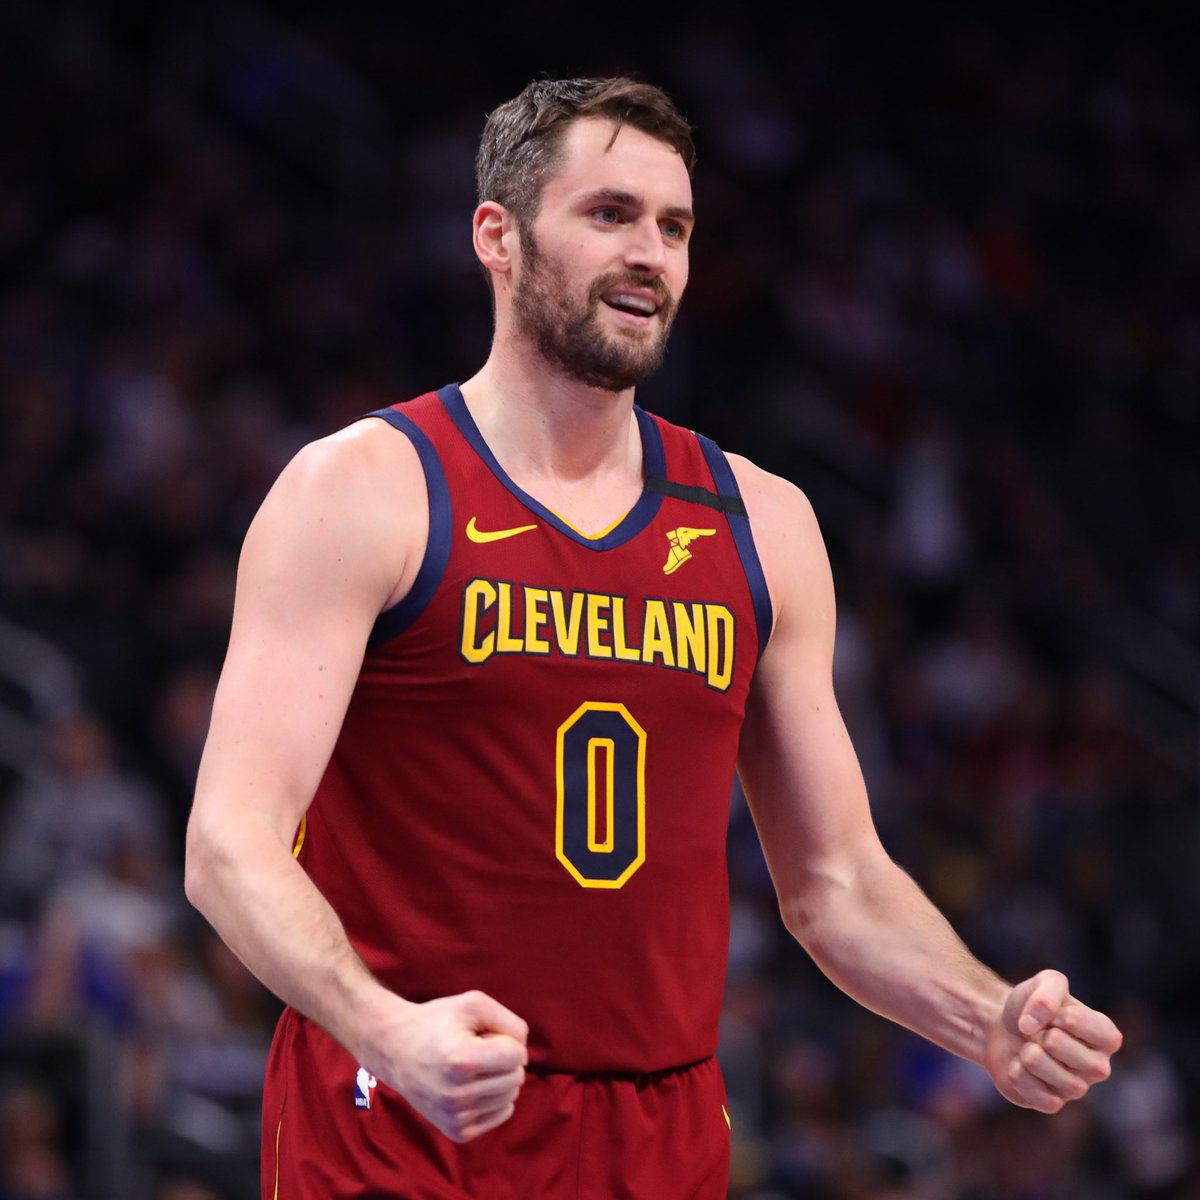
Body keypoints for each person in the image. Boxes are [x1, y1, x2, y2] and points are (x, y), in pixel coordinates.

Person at [184, 76, 1123, 1199]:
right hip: (406, 1118)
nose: (651, 254)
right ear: (497, 237)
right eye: (610, 214)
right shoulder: (363, 490)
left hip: (661, 1134)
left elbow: (835, 882)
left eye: (674, 227)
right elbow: (229, 843)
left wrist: (987, 1018)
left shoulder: (762, 522)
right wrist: (383, 1027)